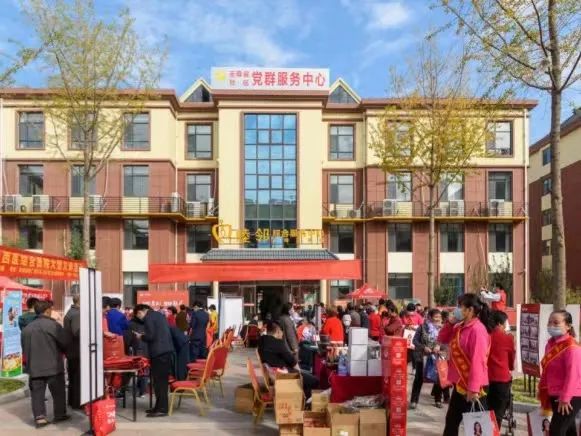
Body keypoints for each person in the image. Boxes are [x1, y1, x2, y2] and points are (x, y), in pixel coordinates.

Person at [438, 294, 493, 436]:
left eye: (460, 306)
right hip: (460, 384)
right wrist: (450, 323)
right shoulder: (459, 327)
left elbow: (478, 361)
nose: (457, 309)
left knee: (477, 427)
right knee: (451, 422)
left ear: (470, 310)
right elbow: (442, 338)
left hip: (475, 387)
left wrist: (473, 388)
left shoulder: (478, 330)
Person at [21, 300, 70, 428]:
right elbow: (64, 343)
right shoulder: (54, 326)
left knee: (37, 394)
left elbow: (24, 347)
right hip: (53, 365)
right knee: (58, 392)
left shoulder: (27, 328)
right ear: (47, 311)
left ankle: (40, 418)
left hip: (34, 367)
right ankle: (59, 414)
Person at [538, 310, 581, 435]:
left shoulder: (572, 347)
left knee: (556, 430)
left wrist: (565, 398)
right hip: (554, 393)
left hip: (570, 396)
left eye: (556, 323)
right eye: (549, 322)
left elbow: (573, 374)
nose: (551, 325)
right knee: (568, 430)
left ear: (568, 326)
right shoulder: (550, 344)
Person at [258, 321, 319, 398]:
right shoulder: (278, 343)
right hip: (283, 374)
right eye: (282, 332)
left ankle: (300, 398)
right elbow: (292, 362)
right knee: (314, 380)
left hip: (272, 372)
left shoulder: (262, 341)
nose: (282, 334)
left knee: (306, 373)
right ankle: (302, 400)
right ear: (278, 331)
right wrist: (299, 373)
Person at [134, 304, 174, 418]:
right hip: (165, 351)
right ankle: (158, 406)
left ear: (142, 311)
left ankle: (162, 409)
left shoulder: (148, 317)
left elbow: (150, 336)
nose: (140, 318)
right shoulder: (158, 315)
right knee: (159, 382)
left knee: (159, 383)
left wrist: (141, 337)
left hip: (159, 353)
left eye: (139, 315)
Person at [410, 309, 444, 409]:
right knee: (419, 378)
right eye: (436, 317)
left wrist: (439, 346)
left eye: (439, 317)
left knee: (438, 378)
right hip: (422, 357)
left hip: (437, 357)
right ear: (429, 317)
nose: (438, 319)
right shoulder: (422, 327)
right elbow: (414, 341)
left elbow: (446, 342)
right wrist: (424, 347)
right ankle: (414, 401)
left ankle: (438, 400)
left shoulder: (442, 329)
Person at [487, 310, 515, 429]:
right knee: (498, 412)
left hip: (486, 378)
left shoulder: (486, 336)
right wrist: (511, 367)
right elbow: (511, 358)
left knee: (487, 409)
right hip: (502, 378)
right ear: (499, 323)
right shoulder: (507, 338)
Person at [63, 294, 81, 409]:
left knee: (73, 377)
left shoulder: (70, 312)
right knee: (77, 377)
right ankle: (77, 402)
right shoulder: (77, 314)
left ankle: (72, 401)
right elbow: (77, 332)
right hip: (76, 350)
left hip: (71, 350)